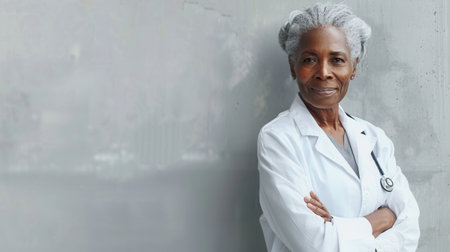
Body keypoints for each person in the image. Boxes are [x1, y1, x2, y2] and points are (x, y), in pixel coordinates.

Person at [257, 3, 420, 252]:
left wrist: (337, 226)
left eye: (337, 60)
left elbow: (410, 227)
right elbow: (314, 244)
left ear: (353, 67)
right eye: (310, 59)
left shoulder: (375, 138)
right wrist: (381, 219)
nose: (324, 72)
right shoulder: (277, 139)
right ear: (293, 66)